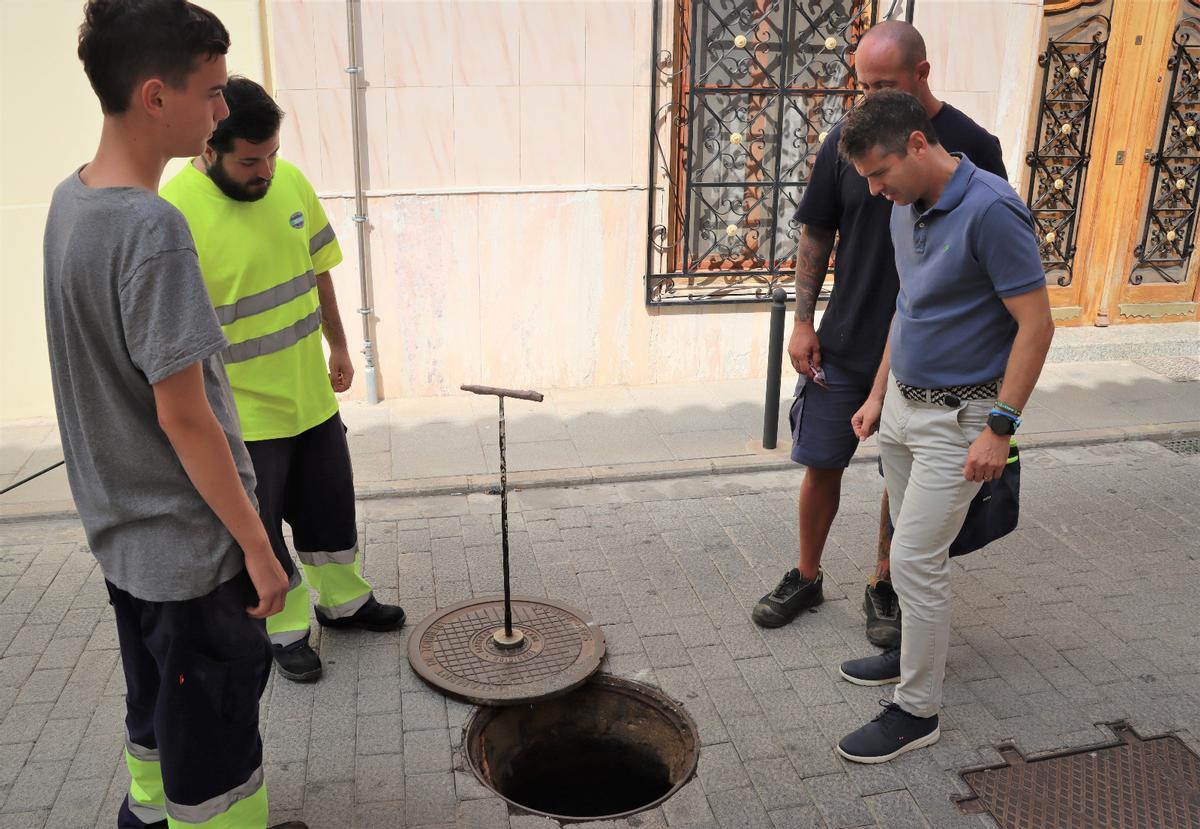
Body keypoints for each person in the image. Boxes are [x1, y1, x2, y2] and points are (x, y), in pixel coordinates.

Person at [43, 2, 303, 826]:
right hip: (190, 560)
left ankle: (143, 815)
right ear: (156, 96)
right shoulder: (155, 229)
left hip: (125, 546)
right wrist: (262, 551)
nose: (223, 112)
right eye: (214, 93)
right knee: (218, 753)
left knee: (155, 715)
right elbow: (186, 417)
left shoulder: (69, 201)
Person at [751, 20, 1009, 649]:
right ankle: (806, 576)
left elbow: (1000, 266)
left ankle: (887, 583)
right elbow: (817, 231)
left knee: (908, 479)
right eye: (861, 84)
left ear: (923, 73)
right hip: (846, 339)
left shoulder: (974, 146)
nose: (868, 97)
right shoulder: (849, 137)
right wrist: (804, 322)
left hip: (925, 356)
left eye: (883, 84)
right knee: (820, 462)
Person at [161, 77, 405, 684]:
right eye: (250, 160)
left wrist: (341, 343)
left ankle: (344, 603)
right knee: (263, 536)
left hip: (312, 401)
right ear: (209, 150)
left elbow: (317, 269)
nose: (266, 170)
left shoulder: (289, 181)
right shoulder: (174, 216)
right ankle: (286, 630)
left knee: (330, 515)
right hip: (243, 420)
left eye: (271, 154)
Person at [833, 90, 1054, 763]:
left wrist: (1001, 428)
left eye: (880, 173)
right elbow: (909, 306)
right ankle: (910, 654)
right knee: (910, 541)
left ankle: (916, 710)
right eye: (866, 179)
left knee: (914, 558)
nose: (874, 191)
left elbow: (1037, 325)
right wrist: (878, 396)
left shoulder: (991, 210)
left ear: (919, 145)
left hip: (959, 419)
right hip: (902, 404)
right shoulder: (906, 208)